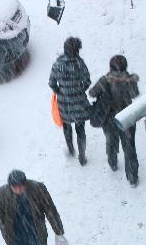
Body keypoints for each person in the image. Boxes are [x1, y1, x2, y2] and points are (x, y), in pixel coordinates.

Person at [89, 54, 139, 187]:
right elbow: (135, 94)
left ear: (110, 66)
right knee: (129, 147)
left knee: (111, 141)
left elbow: (92, 93)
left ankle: (113, 163)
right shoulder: (130, 80)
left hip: (110, 118)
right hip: (127, 117)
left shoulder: (105, 80)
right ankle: (132, 177)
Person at [49, 37, 91, 165]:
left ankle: (71, 149)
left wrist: (60, 91)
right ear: (77, 50)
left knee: (67, 127)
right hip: (79, 102)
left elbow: (51, 83)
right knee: (81, 130)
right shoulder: (80, 64)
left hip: (64, 103)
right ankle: (82, 156)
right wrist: (79, 89)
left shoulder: (57, 64)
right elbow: (87, 81)